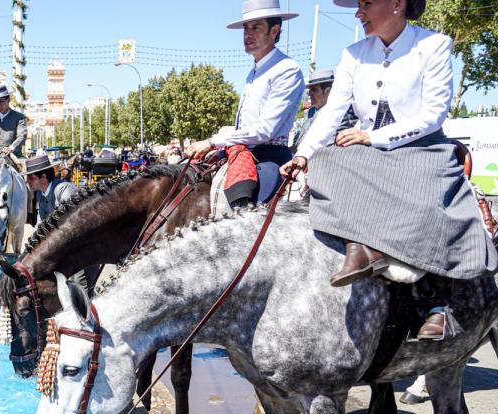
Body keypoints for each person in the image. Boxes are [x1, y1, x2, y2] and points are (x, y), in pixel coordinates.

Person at [282, 0, 497, 340]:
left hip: (422, 149)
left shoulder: (433, 45)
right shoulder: (353, 53)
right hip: (368, 152)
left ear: (397, 4)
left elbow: (433, 115)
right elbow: (331, 112)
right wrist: (303, 154)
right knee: (325, 163)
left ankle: (437, 301)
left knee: (431, 200)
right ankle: (361, 247)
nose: (358, 13)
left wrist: (371, 136)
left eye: (366, 3)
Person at [186, 0, 305, 208]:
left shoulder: (287, 69)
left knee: (246, 218)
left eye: (256, 27)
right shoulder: (254, 72)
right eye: (246, 28)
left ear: (274, 30)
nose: (248, 34)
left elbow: (266, 129)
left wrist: (213, 141)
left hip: (269, 156)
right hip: (241, 151)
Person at [292, 69, 359, 148]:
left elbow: (328, 148)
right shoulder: (311, 112)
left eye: (314, 90)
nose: (309, 93)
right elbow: (299, 140)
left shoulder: (339, 115)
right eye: (309, 90)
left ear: (328, 91)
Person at [24, 154, 76, 222]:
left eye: (31, 178)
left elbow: (71, 221)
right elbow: (41, 222)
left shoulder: (62, 189)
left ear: (43, 177)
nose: (27, 181)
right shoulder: (39, 193)